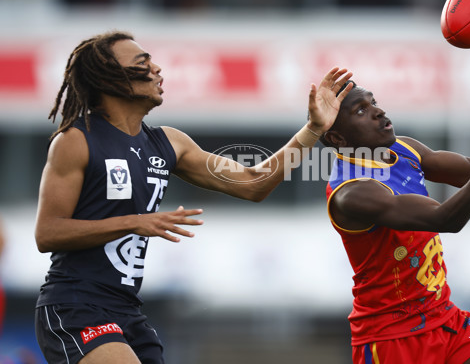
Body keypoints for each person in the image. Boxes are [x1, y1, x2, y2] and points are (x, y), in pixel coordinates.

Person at [33, 30, 354, 364]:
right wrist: (134, 222)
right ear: (109, 76)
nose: (158, 69)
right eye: (143, 63)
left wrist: (313, 129)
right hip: (75, 305)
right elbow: (47, 233)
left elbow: (253, 183)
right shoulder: (75, 139)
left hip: (127, 310)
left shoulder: (169, 143)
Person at [322, 64, 470, 363]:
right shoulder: (351, 192)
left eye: (373, 101)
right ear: (338, 140)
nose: (378, 112)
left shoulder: (405, 148)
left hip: (443, 317)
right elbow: (446, 219)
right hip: (392, 337)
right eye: (361, 110)